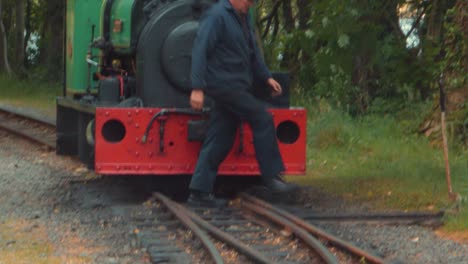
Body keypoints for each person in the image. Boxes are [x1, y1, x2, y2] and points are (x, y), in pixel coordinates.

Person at [187, 0, 298, 207]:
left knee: (220, 138)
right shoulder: (216, 16)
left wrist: (266, 77)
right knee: (262, 117)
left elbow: (253, 52)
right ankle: (271, 178)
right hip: (224, 85)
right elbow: (200, 50)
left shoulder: (243, 18)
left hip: (237, 85)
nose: (252, 5)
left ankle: (199, 193)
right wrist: (197, 88)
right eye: (249, 1)